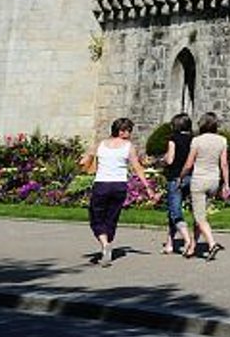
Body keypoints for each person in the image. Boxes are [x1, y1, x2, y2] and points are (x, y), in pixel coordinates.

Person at [80, 117, 149, 266]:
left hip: (102, 184)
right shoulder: (128, 147)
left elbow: (85, 161)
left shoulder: (101, 144)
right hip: (119, 185)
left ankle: (105, 244)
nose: (130, 134)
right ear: (121, 131)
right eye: (129, 131)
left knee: (96, 217)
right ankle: (108, 244)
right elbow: (137, 168)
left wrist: (83, 163)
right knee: (112, 217)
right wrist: (148, 187)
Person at [185, 111, 230, 260]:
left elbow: (189, 163)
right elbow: (224, 164)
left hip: (199, 180)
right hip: (213, 180)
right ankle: (192, 246)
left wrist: (181, 175)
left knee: (200, 217)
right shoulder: (222, 140)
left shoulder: (197, 141)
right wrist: (226, 183)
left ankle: (211, 243)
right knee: (199, 215)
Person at [160, 112, 195, 256]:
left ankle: (187, 239)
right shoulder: (193, 139)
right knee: (172, 212)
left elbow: (170, 159)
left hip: (176, 177)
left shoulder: (173, 139)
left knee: (175, 211)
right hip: (191, 176)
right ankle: (170, 243)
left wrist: (163, 160)